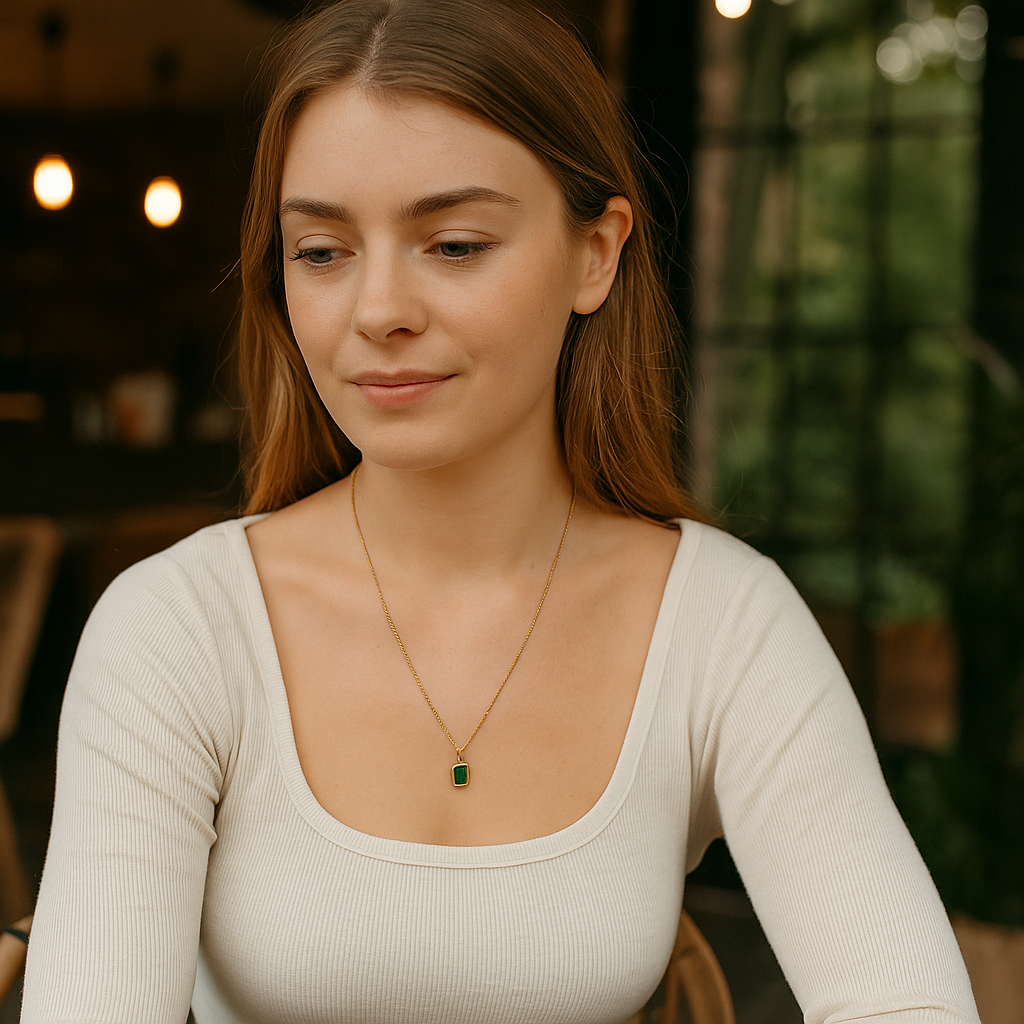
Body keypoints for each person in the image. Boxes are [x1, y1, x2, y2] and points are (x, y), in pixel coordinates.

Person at [22, 1, 980, 1021]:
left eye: (455, 244)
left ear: (595, 254)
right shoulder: (177, 628)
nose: (378, 308)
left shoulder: (720, 622)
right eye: (321, 252)